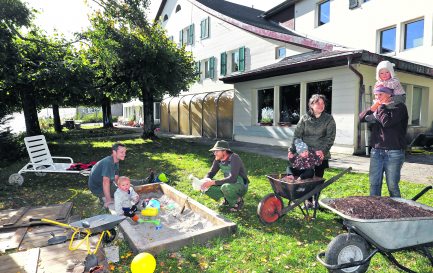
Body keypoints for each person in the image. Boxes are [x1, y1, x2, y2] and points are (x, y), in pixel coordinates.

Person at [359, 86, 408, 197]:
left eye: (380, 94)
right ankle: (376, 209)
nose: (377, 97)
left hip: (394, 152)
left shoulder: (399, 107)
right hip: (376, 151)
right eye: (375, 95)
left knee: (392, 185)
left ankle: (398, 210)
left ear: (389, 94)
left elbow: (386, 122)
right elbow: (361, 118)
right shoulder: (377, 108)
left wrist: (380, 107)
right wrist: (371, 109)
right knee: (374, 184)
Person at [290, 94, 336, 207]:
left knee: (318, 178)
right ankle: (307, 200)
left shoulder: (329, 119)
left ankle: (315, 199)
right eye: (317, 103)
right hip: (306, 154)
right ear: (311, 105)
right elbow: (297, 136)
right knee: (308, 177)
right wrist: (292, 150)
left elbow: (330, 137)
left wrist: (323, 151)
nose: (321, 105)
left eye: (322, 103)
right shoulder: (304, 118)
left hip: (320, 154)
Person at [200, 140, 249, 212]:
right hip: (229, 183)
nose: (214, 153)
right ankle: (227, 198)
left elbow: (233, 178)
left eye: (217, 151)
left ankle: (238, 201)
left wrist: (213, 182)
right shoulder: (218, 159)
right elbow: (211, 173)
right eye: (214, 151)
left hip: (241, 185)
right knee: (204, 187)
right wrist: (204, 180)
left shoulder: (234, 158)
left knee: (225, 187)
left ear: (224, 151)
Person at [88, 142, 126, 208]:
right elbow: (105, 182)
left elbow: (116, 178)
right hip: (98, 189)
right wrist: (108, 200)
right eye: (122, 152)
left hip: (106, 184)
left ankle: (146, 180)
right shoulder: (108, 162)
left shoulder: (116, 160)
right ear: (114, 152)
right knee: (129, 190)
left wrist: (122, 185)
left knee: (126, 182)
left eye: (125, 152)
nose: (124, 154)